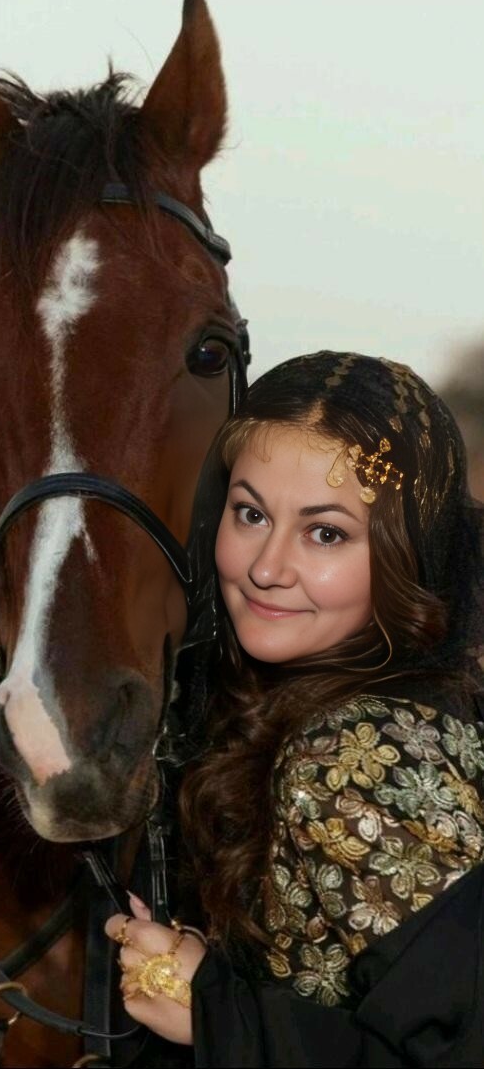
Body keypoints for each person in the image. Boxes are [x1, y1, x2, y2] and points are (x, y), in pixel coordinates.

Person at [105, 351, 484, 1068]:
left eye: (325, 532)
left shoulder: (353, 758)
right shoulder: (374, 697)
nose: (266, 567)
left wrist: (217, 1014)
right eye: (250, 514)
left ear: (406, 550)